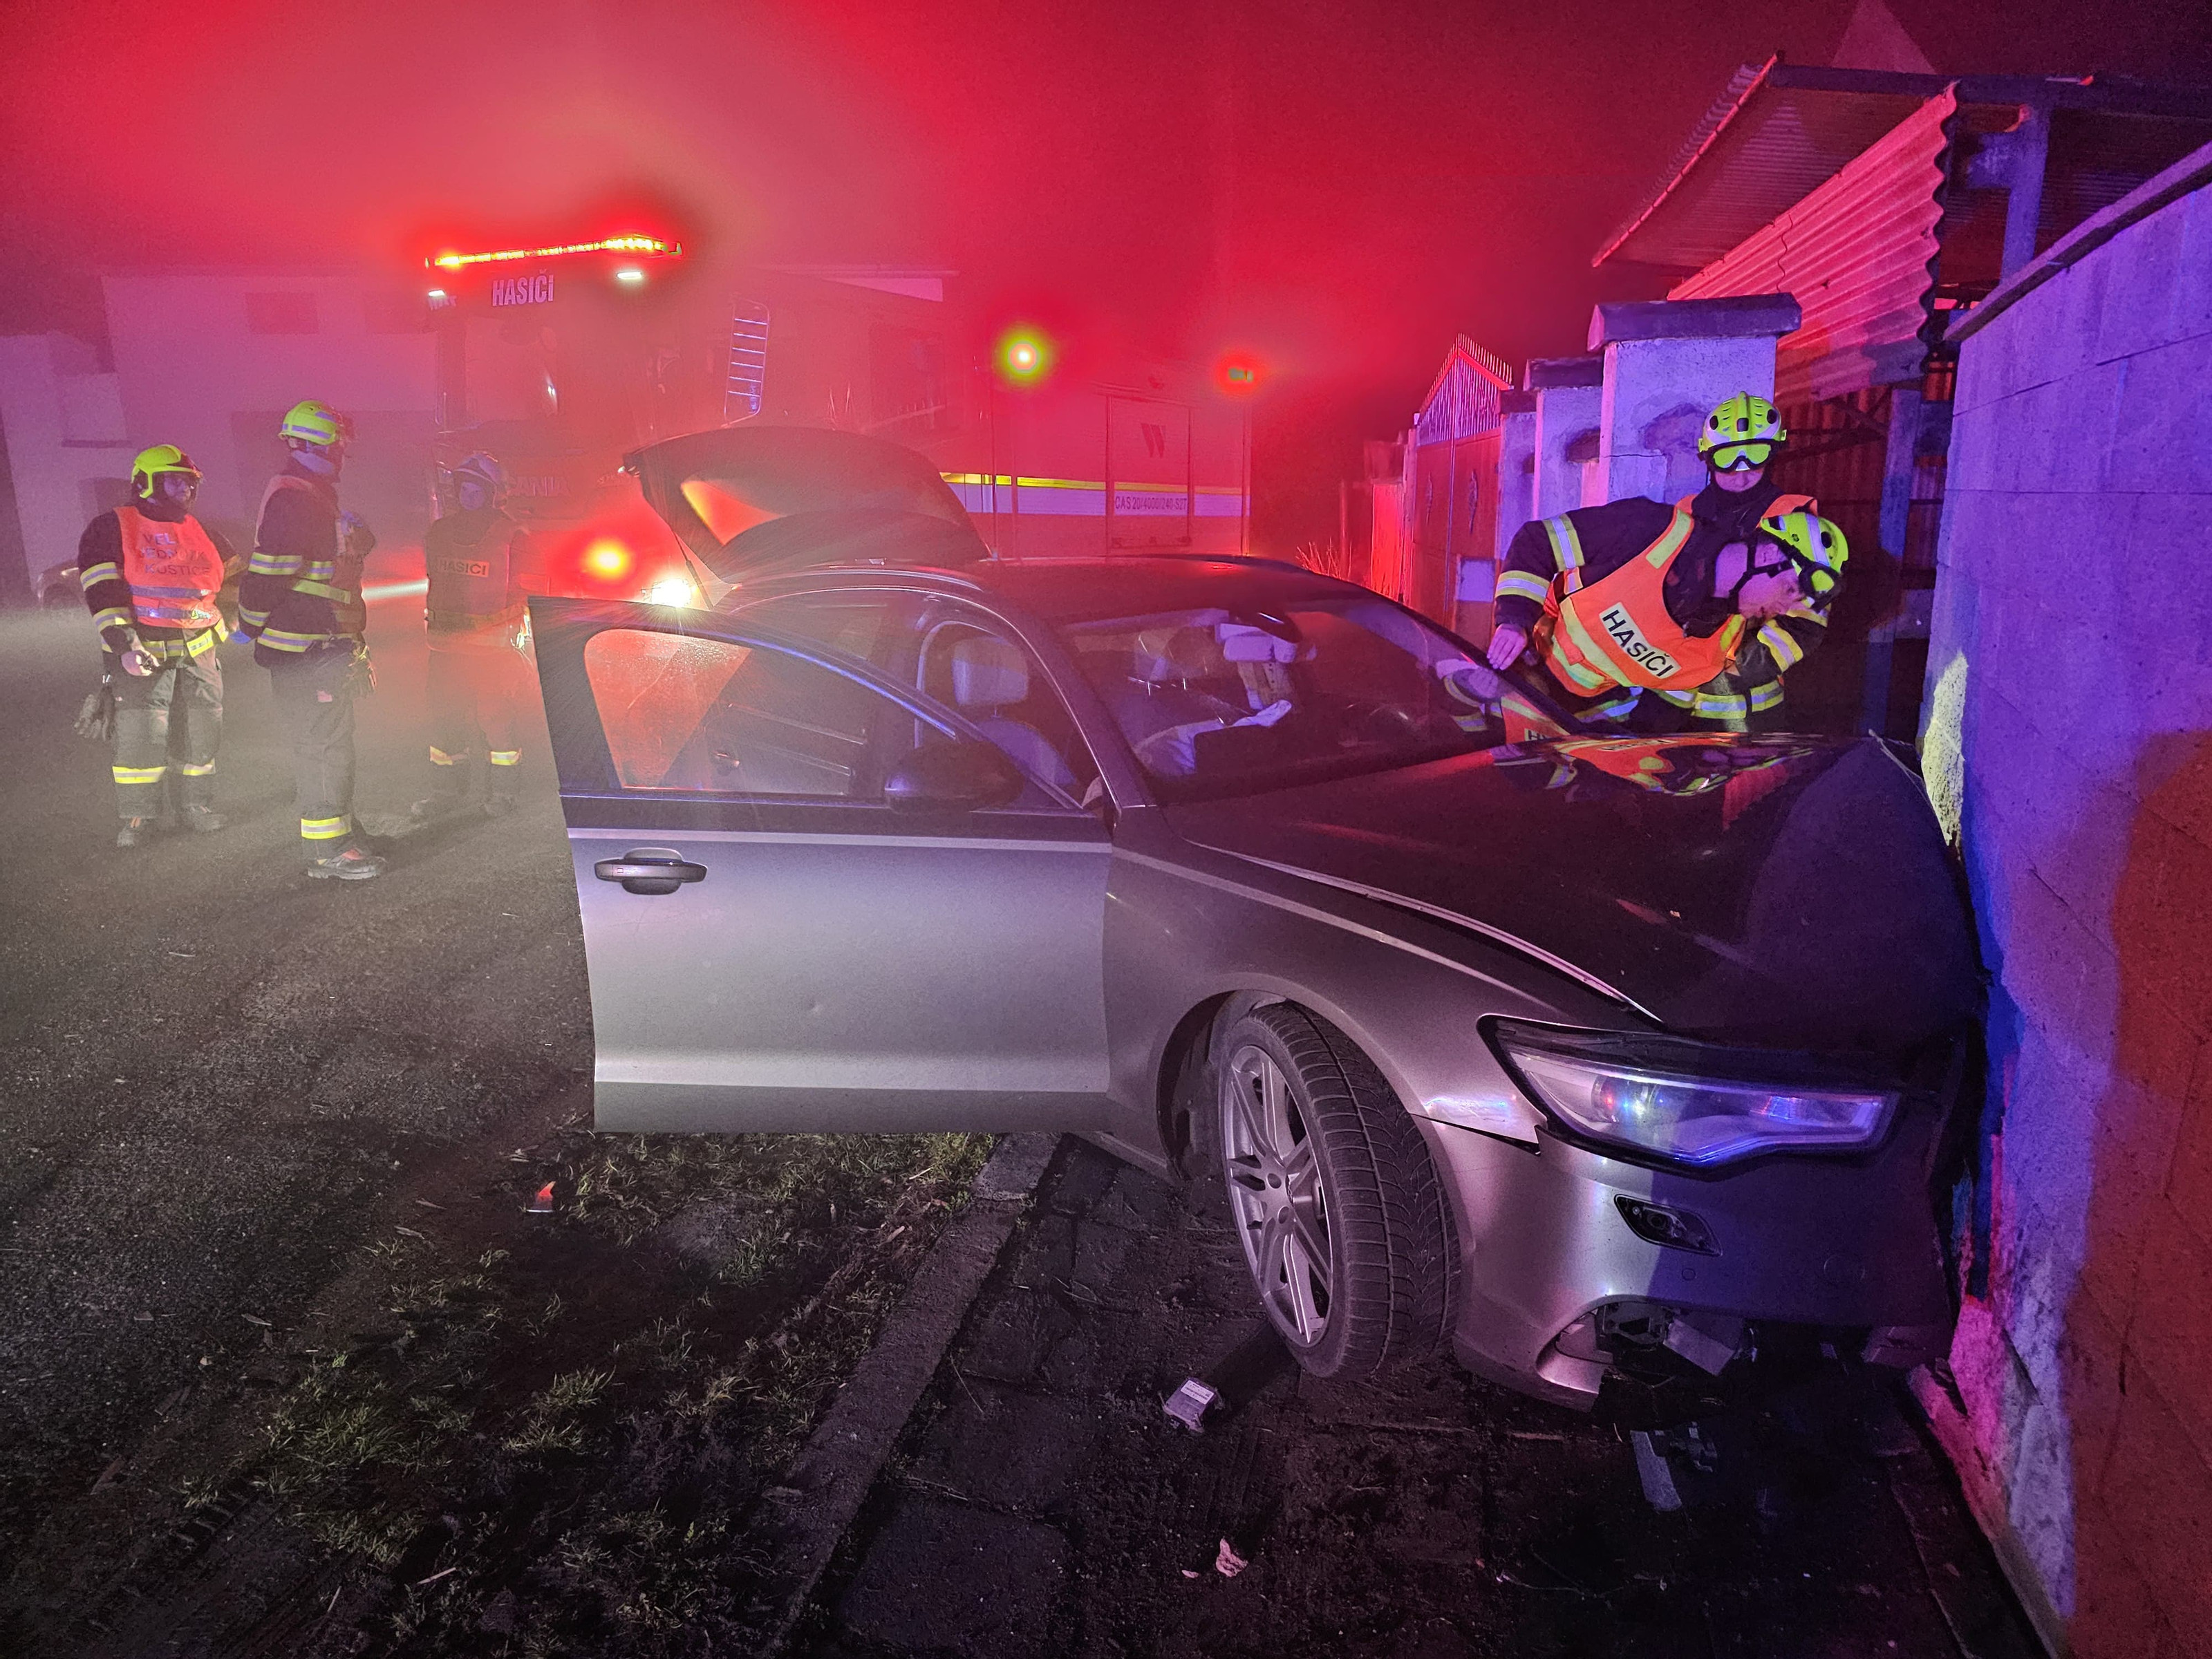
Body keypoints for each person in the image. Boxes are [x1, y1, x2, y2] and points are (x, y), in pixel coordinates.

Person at [1487, 393, 1839, 731]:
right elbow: (1554, 552)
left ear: (1773, 455)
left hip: (1740, 705)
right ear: (1708, 458)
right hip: (1654, 691)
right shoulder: (1680, 516)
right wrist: (1522, 617)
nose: (1742, 473)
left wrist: (1726, 666)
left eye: (1756, 457)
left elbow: (1804, 624)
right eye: (1728, 459)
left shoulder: (1795, 529)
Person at [238, 400, 386, 880]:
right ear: (318, 446)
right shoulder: (296, 498)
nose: (343, 454)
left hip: (318, 644)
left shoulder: (310, 495)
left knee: (331, 742)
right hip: (306, 647)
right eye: (338, 446)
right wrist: (249, 624)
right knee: (324, 746)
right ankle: (329, 850)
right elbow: (269, 575)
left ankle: (343, 832)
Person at [77, 445, 238, 845]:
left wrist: (233, 619)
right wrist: (125, 646)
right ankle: (139, 817)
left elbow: (237, 580)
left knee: (201, 733)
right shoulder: (110, 527)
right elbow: (103, 591)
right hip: (141, 654)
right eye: (175, 481)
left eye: (190, 482)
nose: (185, 489)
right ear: (145, 482)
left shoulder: (205, 531)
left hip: (199, 653)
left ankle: (195, 806)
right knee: (141, 737)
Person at [412, 452, 546, 820]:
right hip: (446, 649)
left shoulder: (514, 536)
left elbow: (532, 589)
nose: (468, 496)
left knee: (497, 725)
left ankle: (504, 794)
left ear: (493, 494)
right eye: (463, 489)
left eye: (476, 490)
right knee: (445, 723)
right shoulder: (440, 532)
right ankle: (445, 792)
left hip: (493, 654)